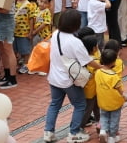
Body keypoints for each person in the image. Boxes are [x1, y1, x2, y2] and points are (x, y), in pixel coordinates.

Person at [43, 9, 101, 143]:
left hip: (54, 77)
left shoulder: (55, 34)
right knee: (80, 104)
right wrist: (101, 67)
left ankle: (48, 132)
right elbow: (87, 61)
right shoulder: (75, 42)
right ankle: (74, 133)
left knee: (54, 104)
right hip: (69, 80)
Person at [95, 49, 126, 143]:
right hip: (114, 102)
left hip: (102, 101)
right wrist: (124, 97)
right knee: (114, 118)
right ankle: (112, 136)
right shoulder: (114, 76)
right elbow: (120, 90)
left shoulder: (98, 72)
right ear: (113, 61)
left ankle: (103, 131)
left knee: (103, 116)